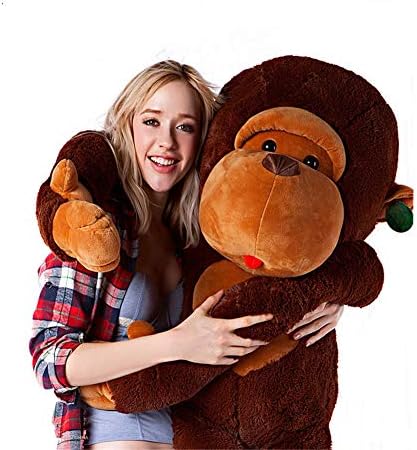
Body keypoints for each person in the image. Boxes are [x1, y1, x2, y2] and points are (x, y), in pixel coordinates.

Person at [30, 60, 344, 450]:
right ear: (127, 125)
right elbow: (50, 360)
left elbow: (273, 270)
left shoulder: (202, 232)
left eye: (185, 127)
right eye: (151, 121)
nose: (167, 141)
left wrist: (327, 300)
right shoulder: (95, 224)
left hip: (195, 430)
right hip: (116, 429)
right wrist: (177, 343)